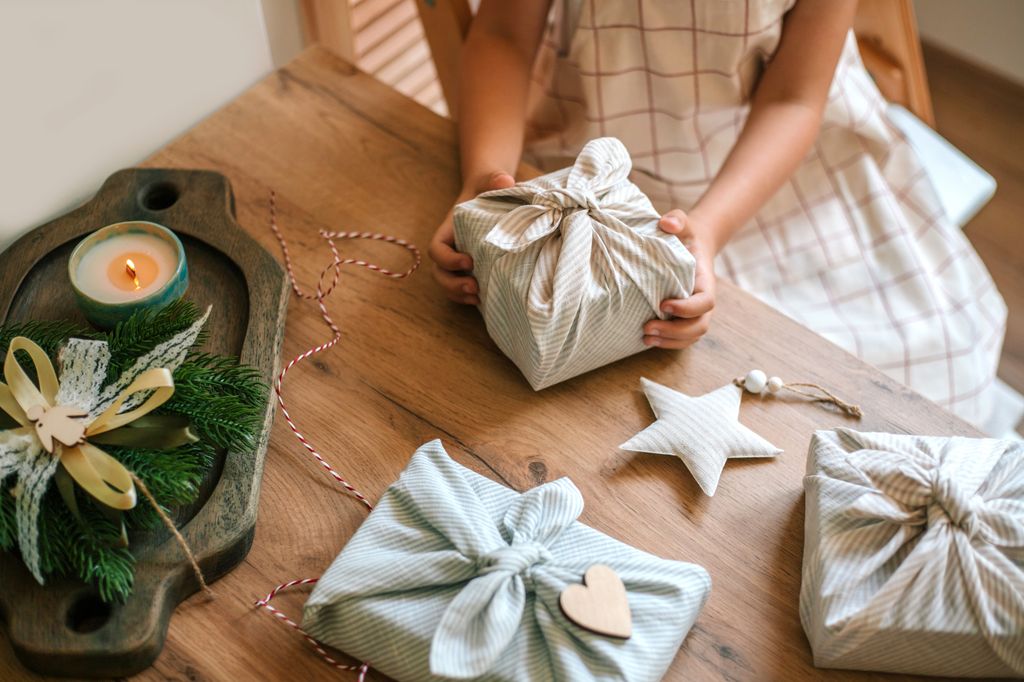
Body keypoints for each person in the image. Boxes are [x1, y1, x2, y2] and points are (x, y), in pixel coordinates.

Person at [428, 0, 1006, 428]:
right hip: (596, 144)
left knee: (925, 357)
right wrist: (483, 181)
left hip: (775, 170)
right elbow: (502, 35)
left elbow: (794, 98)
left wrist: (707, 230)